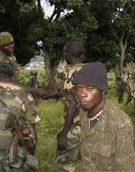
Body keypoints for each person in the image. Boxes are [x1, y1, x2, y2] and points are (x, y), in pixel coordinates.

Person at [74, 62, 135, 171]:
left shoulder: (120, 125)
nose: (82, 94)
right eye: (79, 88)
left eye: (89, 88)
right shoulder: (84, 112)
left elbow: (127, 168)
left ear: (103, 91)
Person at [55, 41, 84, 172]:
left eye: (64, 53)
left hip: (75, 123)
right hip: (87, 123)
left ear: (69, 54)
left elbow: (72, 104)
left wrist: (64, 133)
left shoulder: (74, 73)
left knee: (64, 162)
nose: (63, 56)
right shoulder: (85, 69)